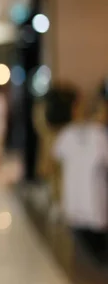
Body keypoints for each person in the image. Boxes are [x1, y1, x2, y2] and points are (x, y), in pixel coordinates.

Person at [54, 94, 108, 262]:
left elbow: (55, 160)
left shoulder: (66, 134)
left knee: (82, 255)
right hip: (95, 207)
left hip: (74, 206)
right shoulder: (100, 136)